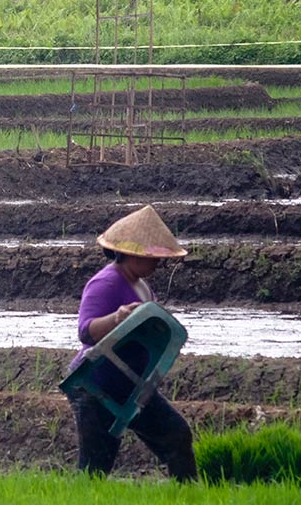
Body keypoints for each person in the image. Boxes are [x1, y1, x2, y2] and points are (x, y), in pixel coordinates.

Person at [65, 205, 198, 481]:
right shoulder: (105, 283)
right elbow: (86, 332)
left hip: (130, 385)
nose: (158, 263)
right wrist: (117, 317)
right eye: (152, 257)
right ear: (131, 255)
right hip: (96, 385)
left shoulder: (140, 283)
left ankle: (190, 495)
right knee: (95, 467)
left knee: (176, 435)